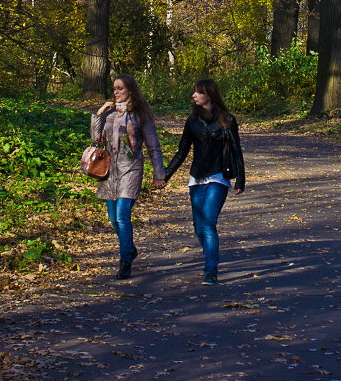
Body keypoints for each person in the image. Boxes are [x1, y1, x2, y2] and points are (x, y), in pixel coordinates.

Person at [164, 78, 245, 285]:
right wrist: (164, 175)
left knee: (208, 223)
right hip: (197, 178)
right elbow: (182, 151)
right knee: (199, 227)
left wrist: (240, 180)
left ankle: (211, 271)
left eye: (198, 92)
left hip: (218, 177)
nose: (194, 96)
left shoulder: (227, 119)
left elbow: (236, 150)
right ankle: (211, 254)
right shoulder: (192, 121)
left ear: (209, 94)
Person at [91, 73, 167, 280]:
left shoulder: (141, 115)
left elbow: (153, 147)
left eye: (120, 89)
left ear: (130, 91)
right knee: (113, 220)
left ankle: (125, 261)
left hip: (131, 168)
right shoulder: (109, 114)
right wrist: (99, 114)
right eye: (114, 88)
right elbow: (95, 139)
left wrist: (159, 175)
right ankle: (130, 248)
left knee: (123, 215)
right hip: (108, 171)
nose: (116, 92)